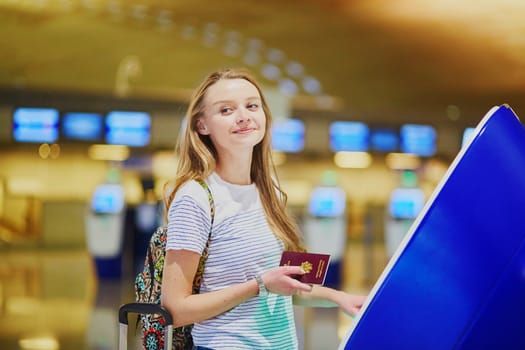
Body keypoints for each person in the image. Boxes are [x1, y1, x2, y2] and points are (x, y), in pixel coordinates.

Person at [161, 68, 366, 349]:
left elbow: (281, 284)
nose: (244, 115)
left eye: (252, 105)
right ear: (201, 125)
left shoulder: (266, 190)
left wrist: (337, 297)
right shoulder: (195, 197)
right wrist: (259, 285)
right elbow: (175, 309)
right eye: (226, 110)